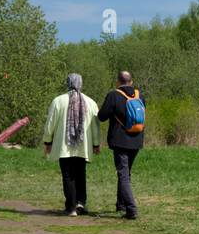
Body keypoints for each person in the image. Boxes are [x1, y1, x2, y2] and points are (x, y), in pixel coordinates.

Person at [42, 73, 102, 216]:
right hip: (83, 146)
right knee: (81, 174)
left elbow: (50, 124)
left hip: (64, 146)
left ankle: (71, 207)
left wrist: (47, 141)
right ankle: (80, 203)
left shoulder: (58, 101)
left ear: (67, 83)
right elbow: (95, 126)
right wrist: (96, 144)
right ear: (80, 84)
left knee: (68, 175)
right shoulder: (90, 102)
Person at [98, 70, 146, 220]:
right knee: (126, 173)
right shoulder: (139, 95)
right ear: (131, 81)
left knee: (123, 174)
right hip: (137, 139)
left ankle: (131, 209)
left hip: (120, 141)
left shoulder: (114, 95)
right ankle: (121, 204)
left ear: (118, 82)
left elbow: (102, 116)